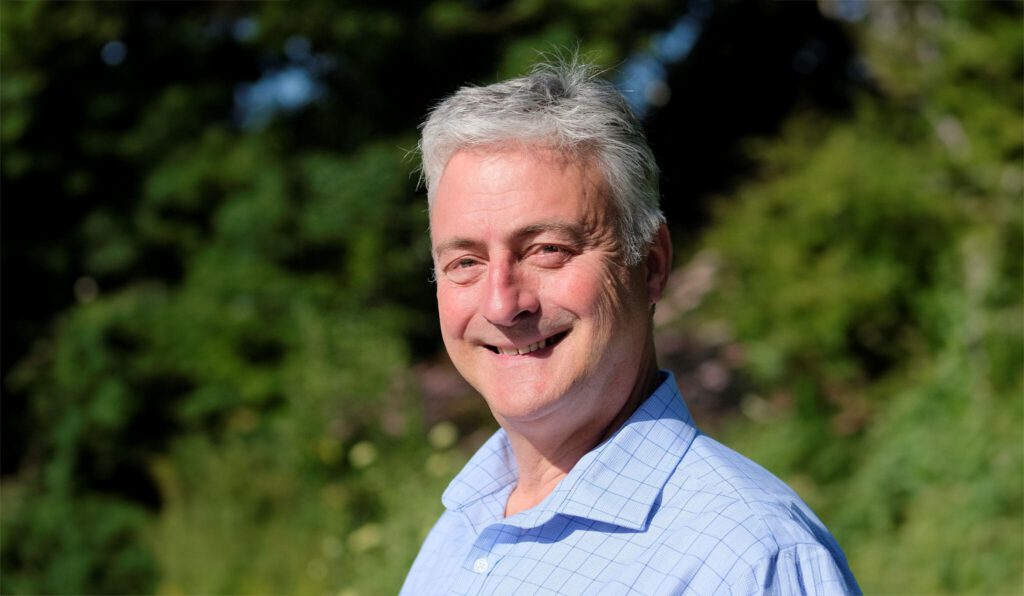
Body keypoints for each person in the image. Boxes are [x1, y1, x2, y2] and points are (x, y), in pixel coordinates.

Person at [401, 58, 860, 595]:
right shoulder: (457, 534)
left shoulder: (750, 557)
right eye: (465, 263)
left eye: (547, 250)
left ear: (651, 265)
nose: (503, 305)